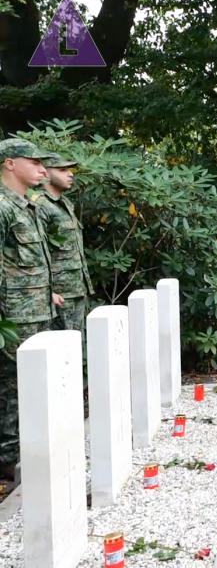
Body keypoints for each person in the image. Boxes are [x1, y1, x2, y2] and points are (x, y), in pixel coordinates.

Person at [0, 138, 59, 480]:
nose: (42, 169)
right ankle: (9, 457)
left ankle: (31, 450)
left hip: (38, 309)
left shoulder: (27, 205)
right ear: (10, 163)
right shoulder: (4, 206)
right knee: (13, 386)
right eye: (33, 162)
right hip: (15, 314)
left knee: (34, 384)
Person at [34, 153, 93, 332]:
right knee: (61, 350)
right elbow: (36, 252)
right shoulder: (40, 205)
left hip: (76, 289)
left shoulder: (65, 203)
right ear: (45, 173)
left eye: (69, 169)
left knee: (77, 347)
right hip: (59, 294)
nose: (70, 174)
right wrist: (47, 291)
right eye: (62, 170)